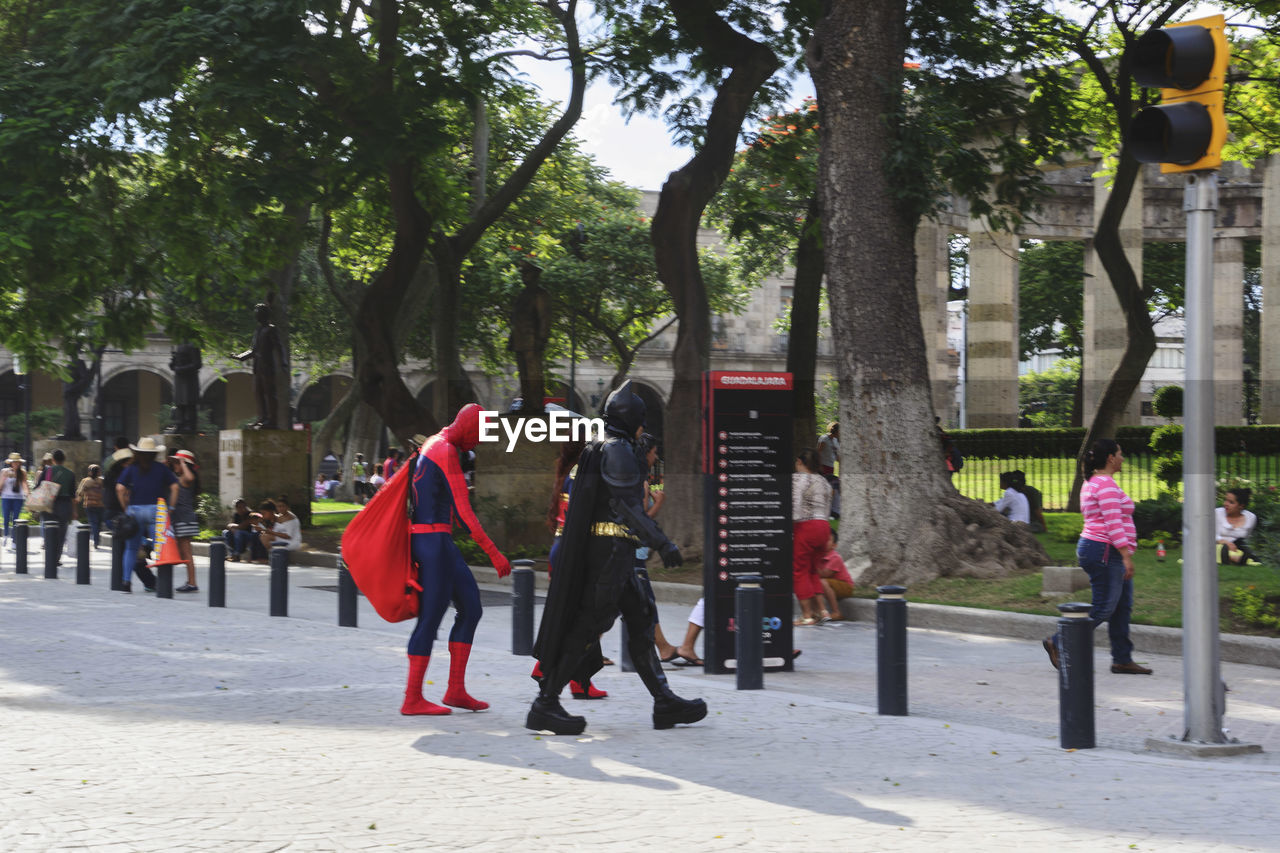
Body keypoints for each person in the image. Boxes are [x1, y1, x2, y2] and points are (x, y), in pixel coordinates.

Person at [527, 380, 705, 736]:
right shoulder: (617, 448)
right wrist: (662, 542)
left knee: (641, 625)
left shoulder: (603, 446)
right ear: (630, 419)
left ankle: (664, 701)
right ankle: (545, 703)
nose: (642, 428)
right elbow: (626, 506)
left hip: (616, 556)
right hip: (609, 556)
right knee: (588, 626)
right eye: (640, 420)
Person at [398, 404, 511, 717]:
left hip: (438, 541)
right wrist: (493, 552)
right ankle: (412, 698)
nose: (477, 443)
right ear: (468, 427)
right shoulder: (445, 450)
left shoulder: (437, 443)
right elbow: (464, 510)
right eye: (478, 436)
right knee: (430, 619)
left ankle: (456, 690)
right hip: (433, 542)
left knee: (471, 608)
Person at [1042, 438, 1151, 675]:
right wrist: (1125, 555)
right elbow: (1113, 523)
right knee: (1104, 607)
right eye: (1120, 454)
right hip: (1105, 550)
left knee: (1122, 606)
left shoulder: (1093, 482)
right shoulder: (1106, 485)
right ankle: (1058, 640)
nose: (1123, 458)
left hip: (1099, 548)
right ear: (1111, 458)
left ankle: (1122, 659)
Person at [535, 438, 606, 700]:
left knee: (573, 614)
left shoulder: (567, 473)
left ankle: (579, 681)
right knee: (581, 616)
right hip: (572, 552)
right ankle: (548, 669)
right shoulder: (579, 475)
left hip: (561, 548)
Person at [115, 437, 179, 593]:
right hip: (155, 510)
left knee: (131, 549)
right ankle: (163, 583)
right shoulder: (161, 468)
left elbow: (119, 489)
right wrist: (170, 507)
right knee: (160, 547)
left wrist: (126, 508)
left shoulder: (131, 468)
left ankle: (126, 582)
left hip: (135, 510)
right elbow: (175, 486)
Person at [792, 448, 833, 626]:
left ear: (800, 462)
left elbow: (795, 505)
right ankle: (822, 611)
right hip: (823, 526)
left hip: (806, 526)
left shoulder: (797, 479)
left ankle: (807, 615)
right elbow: (828, 507)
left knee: (799, 570)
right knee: (812, 570)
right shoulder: (825, 482)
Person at [234, 302, 287, 429]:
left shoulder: (271, 329)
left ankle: (272, 420)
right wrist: (239, 357)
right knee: (258, 392)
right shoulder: (258, 330)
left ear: (263, 315)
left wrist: (283, 362)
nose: (255, 316)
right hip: (258, 366)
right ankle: (261, 418)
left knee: (269, 393)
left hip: (268, 366)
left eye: (257, 314)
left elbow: (279, 347)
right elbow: (253, 350)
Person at [168, 449, 201, 592]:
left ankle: (192, 582)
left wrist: (183, 463)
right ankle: (190, 581)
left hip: (184, 518)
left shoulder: (186, 478)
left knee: (186, 552)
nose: (175, 465)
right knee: (182, 551)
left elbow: (190, 476)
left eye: (177, 462)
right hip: (179, 518)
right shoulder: (178, 478)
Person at [817, 529, 855, 621]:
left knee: (822, 581)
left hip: (846, 587)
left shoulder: (835, 557)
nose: (824, 541)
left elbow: (824, 574)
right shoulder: (818, 556)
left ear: (834, 545)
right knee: (815, 583)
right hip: (830, 585)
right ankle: (817, 612)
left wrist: (811, 563)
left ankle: (836, 612)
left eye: (828, 540)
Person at [1216, 488, 1258, 565]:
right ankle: (1235, 559)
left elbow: (1247, 537)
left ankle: (1234, 558)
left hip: (1237, 547)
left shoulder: (1251, 517)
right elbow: (1210, 535)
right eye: (1226, 500)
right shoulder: (1217, 513)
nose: (1226, 504)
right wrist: (1225, 542)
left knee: (1242, 550)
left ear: (1241, 506)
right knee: (1219, 549)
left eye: (1231, 502)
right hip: (1218, 544)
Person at [75, 464, 106, 550]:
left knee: (94, 523)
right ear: (99, 472)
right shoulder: (102, 481)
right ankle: (96, 541)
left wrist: (77, 501)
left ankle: (96, 541)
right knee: (98, 524)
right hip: (100, 505)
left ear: (89, 472)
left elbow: (80, 492)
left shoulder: (85, 481)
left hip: (89, 505)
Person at [1, 452, 28, 546]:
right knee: (6, 518)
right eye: (14, 462)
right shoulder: (5, 471)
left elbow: (25, 485)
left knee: (16, 519)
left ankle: (14, 539)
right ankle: (5, 536)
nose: (15, 464)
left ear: (20, 463)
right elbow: (0, 485)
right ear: (10, 463)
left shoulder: (23, 472)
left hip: (18, 498)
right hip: (6, 497)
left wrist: (28, 495)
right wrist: (5, 477)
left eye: (17, 462)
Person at [817, 421, 840, 518]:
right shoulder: (824, 438)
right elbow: (818, 453)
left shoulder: (835, 440)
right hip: (823, 467)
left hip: (831, 467)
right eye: (840, 431)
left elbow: (837, 456)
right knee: (824, 489)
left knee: (831, 489)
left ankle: (830, 511)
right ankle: (822, 511)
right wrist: (819, 466)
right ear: (836, 431)